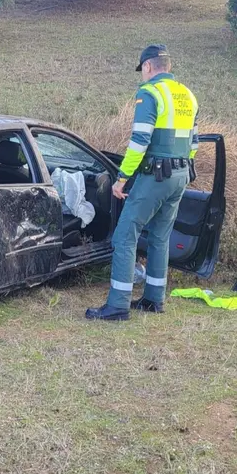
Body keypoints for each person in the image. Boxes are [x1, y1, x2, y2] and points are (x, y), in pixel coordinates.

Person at [85, 44, 199, 321]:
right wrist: (182, 165)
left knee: (125, 235)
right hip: (181, 174)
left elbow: (139, 142)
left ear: (148, 67)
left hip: (156, 175)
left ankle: (117, 305)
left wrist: (122, 179)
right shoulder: (187, 94)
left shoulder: (149, 93)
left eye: (142, 71)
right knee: (160, 237)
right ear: (168, 66)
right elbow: (194, 142)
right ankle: (154, 299)